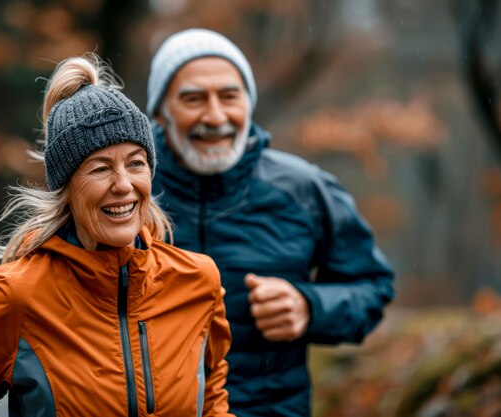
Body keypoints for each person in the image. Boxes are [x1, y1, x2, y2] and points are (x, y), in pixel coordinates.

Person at [0, 53, 234, 417]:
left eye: (136, 163)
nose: (123, 185)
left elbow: (213, 401)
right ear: (67, 187)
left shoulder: (198, 281)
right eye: (100, 168)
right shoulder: (18, 297)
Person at [147, 28, 396, 417]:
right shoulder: (127, 192)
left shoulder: (305, 189)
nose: (215, 116)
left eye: (230, 96)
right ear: (160, 111)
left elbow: (373, 286)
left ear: (249, 102)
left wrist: (310, 306)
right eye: (193, 98)